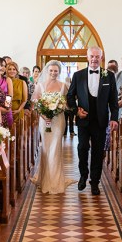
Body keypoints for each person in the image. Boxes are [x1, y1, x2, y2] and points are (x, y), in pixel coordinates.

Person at [67, 46, 119, 196]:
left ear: (101, 58)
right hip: (84, 119)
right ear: (87, 57)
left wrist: (114, 118)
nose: (95, 59)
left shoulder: (109, 76)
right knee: (82, 148)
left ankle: (95, 182)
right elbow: (70, 96)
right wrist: (76, 110)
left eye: (97, 56)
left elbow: (113, 100)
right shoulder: (78, 75)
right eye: (92, 56)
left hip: (101, 120)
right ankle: (83, 175)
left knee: (97, 152)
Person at [31, 60, 76, 194]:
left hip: (58, 120)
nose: (53, 73)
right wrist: (43, 114)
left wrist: (60, 106)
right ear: (47, 71)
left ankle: (55, 180)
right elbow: (35, 102)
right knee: (45, 148)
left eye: (56, 71)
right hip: (45, 121)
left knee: (56, 148)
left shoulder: (63, 86)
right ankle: (45, 178)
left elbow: (68, 103)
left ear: (59, 72)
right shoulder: (41, 85)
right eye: (51, 70)